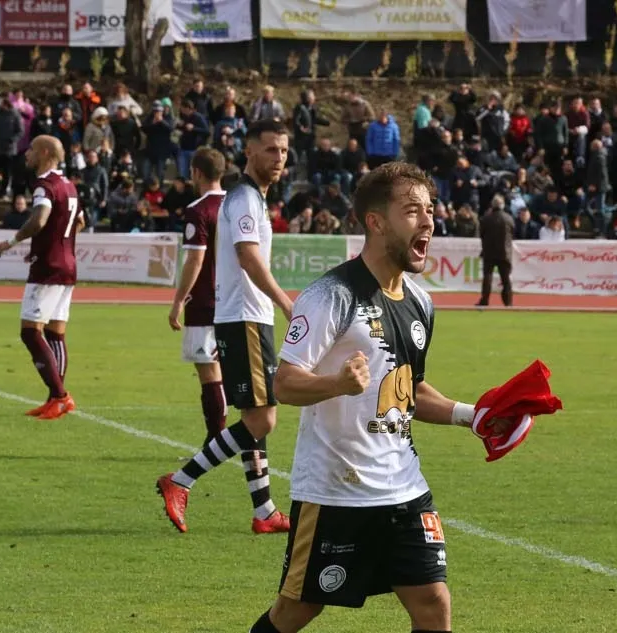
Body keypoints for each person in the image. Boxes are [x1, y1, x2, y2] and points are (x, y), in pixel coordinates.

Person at [249, 162, 485, 633]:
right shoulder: (331, 295)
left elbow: (409, 388)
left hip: (404, 486)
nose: (429, 222)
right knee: (298, 609)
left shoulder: (421, 302)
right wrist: (335, 384)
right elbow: (285, 381)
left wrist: (471, 416)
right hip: (337, 491)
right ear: (376, 222)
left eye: (430, 210)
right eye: (412, 211)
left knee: (433, 604)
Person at [156, 119, 294, 535]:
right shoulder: (245, 199)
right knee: (263, 420)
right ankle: (180, 480)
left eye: (284, 151)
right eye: (270, 150)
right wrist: (287, 301)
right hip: (245, 317)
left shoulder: (253, 198)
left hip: (248, 317)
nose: (278, 159)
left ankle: (265, 510)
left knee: (256, 415)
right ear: (250, 151)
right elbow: (249, 257)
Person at [0, 135, 85, 420]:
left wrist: (12, 241)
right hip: (67, 264)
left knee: (30, 331)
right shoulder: (69, 185)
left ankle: (60, 395)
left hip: (48, 268)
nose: (27, 154)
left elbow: (40, 219)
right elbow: (79, 221)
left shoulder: (44, 186)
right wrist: (54, 246)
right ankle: (54, 399)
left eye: (32, 149)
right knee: (55, 333)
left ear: (45, 153)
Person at [166, 147, 228, 447]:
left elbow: (195, 260)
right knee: (227, 368)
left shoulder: (198, 209)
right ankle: (228, 439)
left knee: (208, 371)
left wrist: (179, 299)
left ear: (196, 173)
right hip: (235, 301)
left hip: (205, 300)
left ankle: (215, 441)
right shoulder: (236, 205)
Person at [478, 196, 515, 307]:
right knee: (506, 279)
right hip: (505, 252)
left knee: (487, 277)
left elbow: (482, 234)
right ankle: (508, 302)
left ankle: (485, 300)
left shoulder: (486, 218)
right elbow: (513, 232)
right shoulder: (508, 218)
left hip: (489, 252)